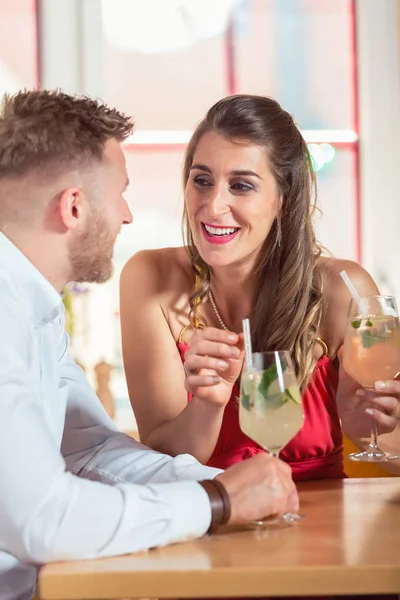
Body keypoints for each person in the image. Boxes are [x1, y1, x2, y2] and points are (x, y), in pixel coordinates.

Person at [0, 90, 299, 600]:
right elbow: (43, 519)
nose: (127, 215)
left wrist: (224, 484)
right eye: (119, 193)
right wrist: (216, 501)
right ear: (73, 207)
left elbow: (92, 447)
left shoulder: (37, 309)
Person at [120, 94, 400, 479]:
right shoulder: (150, 278)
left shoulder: (341, 289)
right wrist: (208, 404)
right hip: (207, 525)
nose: (214, 205)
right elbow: (161, 463)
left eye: (241, 185)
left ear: (282, 200)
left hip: (322, 531)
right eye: (202, 180)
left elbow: (392, 452)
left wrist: (369, 427)